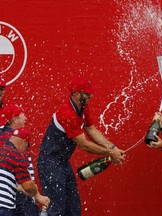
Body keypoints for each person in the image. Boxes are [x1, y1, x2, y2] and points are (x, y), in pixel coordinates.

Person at [37, 76, 125, 216]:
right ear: (77, 94)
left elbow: (91, 129)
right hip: (50, 162)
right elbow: (84, 145)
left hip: (62, 162)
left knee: (74, 208)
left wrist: (112, 148)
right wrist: (109, 153)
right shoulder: (67, 113)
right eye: (87, 93)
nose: (91, 96)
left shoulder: (83, 107)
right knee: (57, 209)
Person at [0, 127, 47, 216]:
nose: (25, 149)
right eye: (26, 146)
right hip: (1, 208)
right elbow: (28, 186)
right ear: (24, 142)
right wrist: (35, 193)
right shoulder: (16, 155)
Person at [0, 104, 50, 216]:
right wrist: (37, 196)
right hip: (21, 198)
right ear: (14, 119)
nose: (26, 118)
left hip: (2, 198)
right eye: (22, 115)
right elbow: (24, 174)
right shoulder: (18, 140)